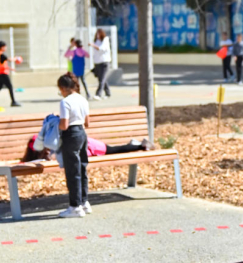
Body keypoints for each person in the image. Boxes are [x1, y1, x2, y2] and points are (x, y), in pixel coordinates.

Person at [57, 73, 91, 218]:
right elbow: (87, 122)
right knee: (82, 168)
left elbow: (64, 125)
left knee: (72, 171)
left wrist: (54, 123)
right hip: (82, 133)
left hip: (71, 135)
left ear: (64, 88)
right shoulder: (82, 99)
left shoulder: (65, 102)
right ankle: (84, 202)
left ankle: (75, 206)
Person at [22, 135, 155, 164]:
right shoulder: (42, 144)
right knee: (113, 149)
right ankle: (136, 144)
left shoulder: (49, 144)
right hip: (81, 146)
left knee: (113, 150)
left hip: (88, 146)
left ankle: (137, 145)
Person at [0, 41, 21, 107]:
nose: (6, 48)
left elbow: (2, 65)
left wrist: (11, 68)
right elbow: (10, 59)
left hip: (1, 73)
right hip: (3, 74)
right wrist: (16, 58)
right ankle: (13, 101)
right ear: (2, 47)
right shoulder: (1, 54)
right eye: (5, 46)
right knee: (10, 86)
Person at [90, 29, 112, 100]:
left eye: (99, 34)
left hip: (104, 62)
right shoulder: (97, 41)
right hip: (97, 63)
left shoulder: (105, 40)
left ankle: (98, 94)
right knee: (102, 78)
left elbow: (101, 49)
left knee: (102, 79)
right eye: (97, 34)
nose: (98, 36)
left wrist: (93, 45)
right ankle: (108, 93)